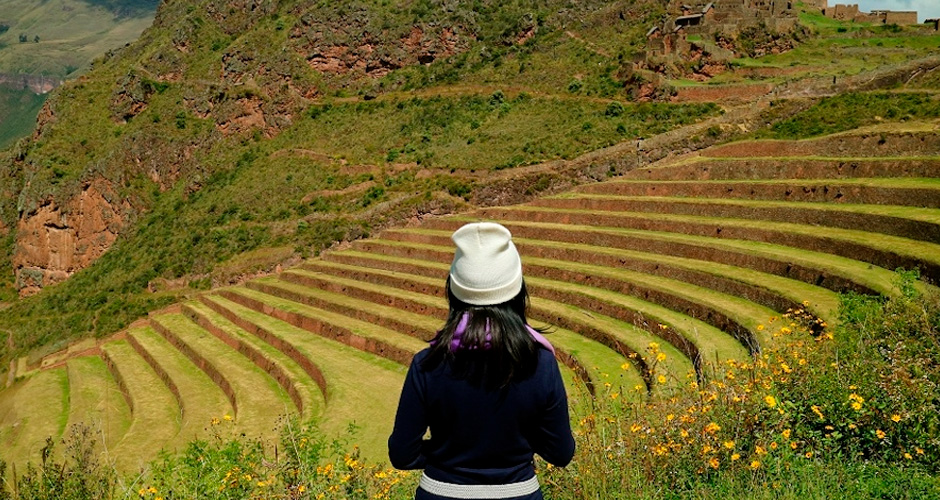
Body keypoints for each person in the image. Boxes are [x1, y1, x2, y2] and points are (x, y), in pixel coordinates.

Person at [388, 221, 575, 500]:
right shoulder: (542, 363)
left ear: (452, 291)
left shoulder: (427, 364)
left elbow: (402, 454)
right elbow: (560, 453)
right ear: (518, 291)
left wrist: (444, 453)